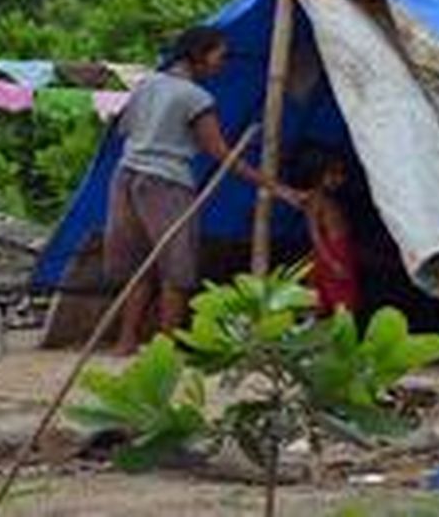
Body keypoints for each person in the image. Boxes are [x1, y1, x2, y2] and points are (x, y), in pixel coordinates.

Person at [105, 26, 302, 355]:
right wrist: (278, 188)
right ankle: (164, 347)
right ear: (199, 55)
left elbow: (124, 131)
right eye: (218, 56)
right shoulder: (196, 97)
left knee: (139, 268)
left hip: (125, 176)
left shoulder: (147, 84)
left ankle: (125, 342)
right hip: (166, 183)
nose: (220, 65)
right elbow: (222, 155)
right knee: (176, 271)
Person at [299, 148, 360, 316]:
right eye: (333, 174)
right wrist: (332, 262)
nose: (338, 180)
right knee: (338, 301)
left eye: (341, 175)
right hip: (331, 252)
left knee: (344, 299)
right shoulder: (316, 199)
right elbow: (315, 235)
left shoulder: (331, 199)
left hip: (340, 250)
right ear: (318, 174)